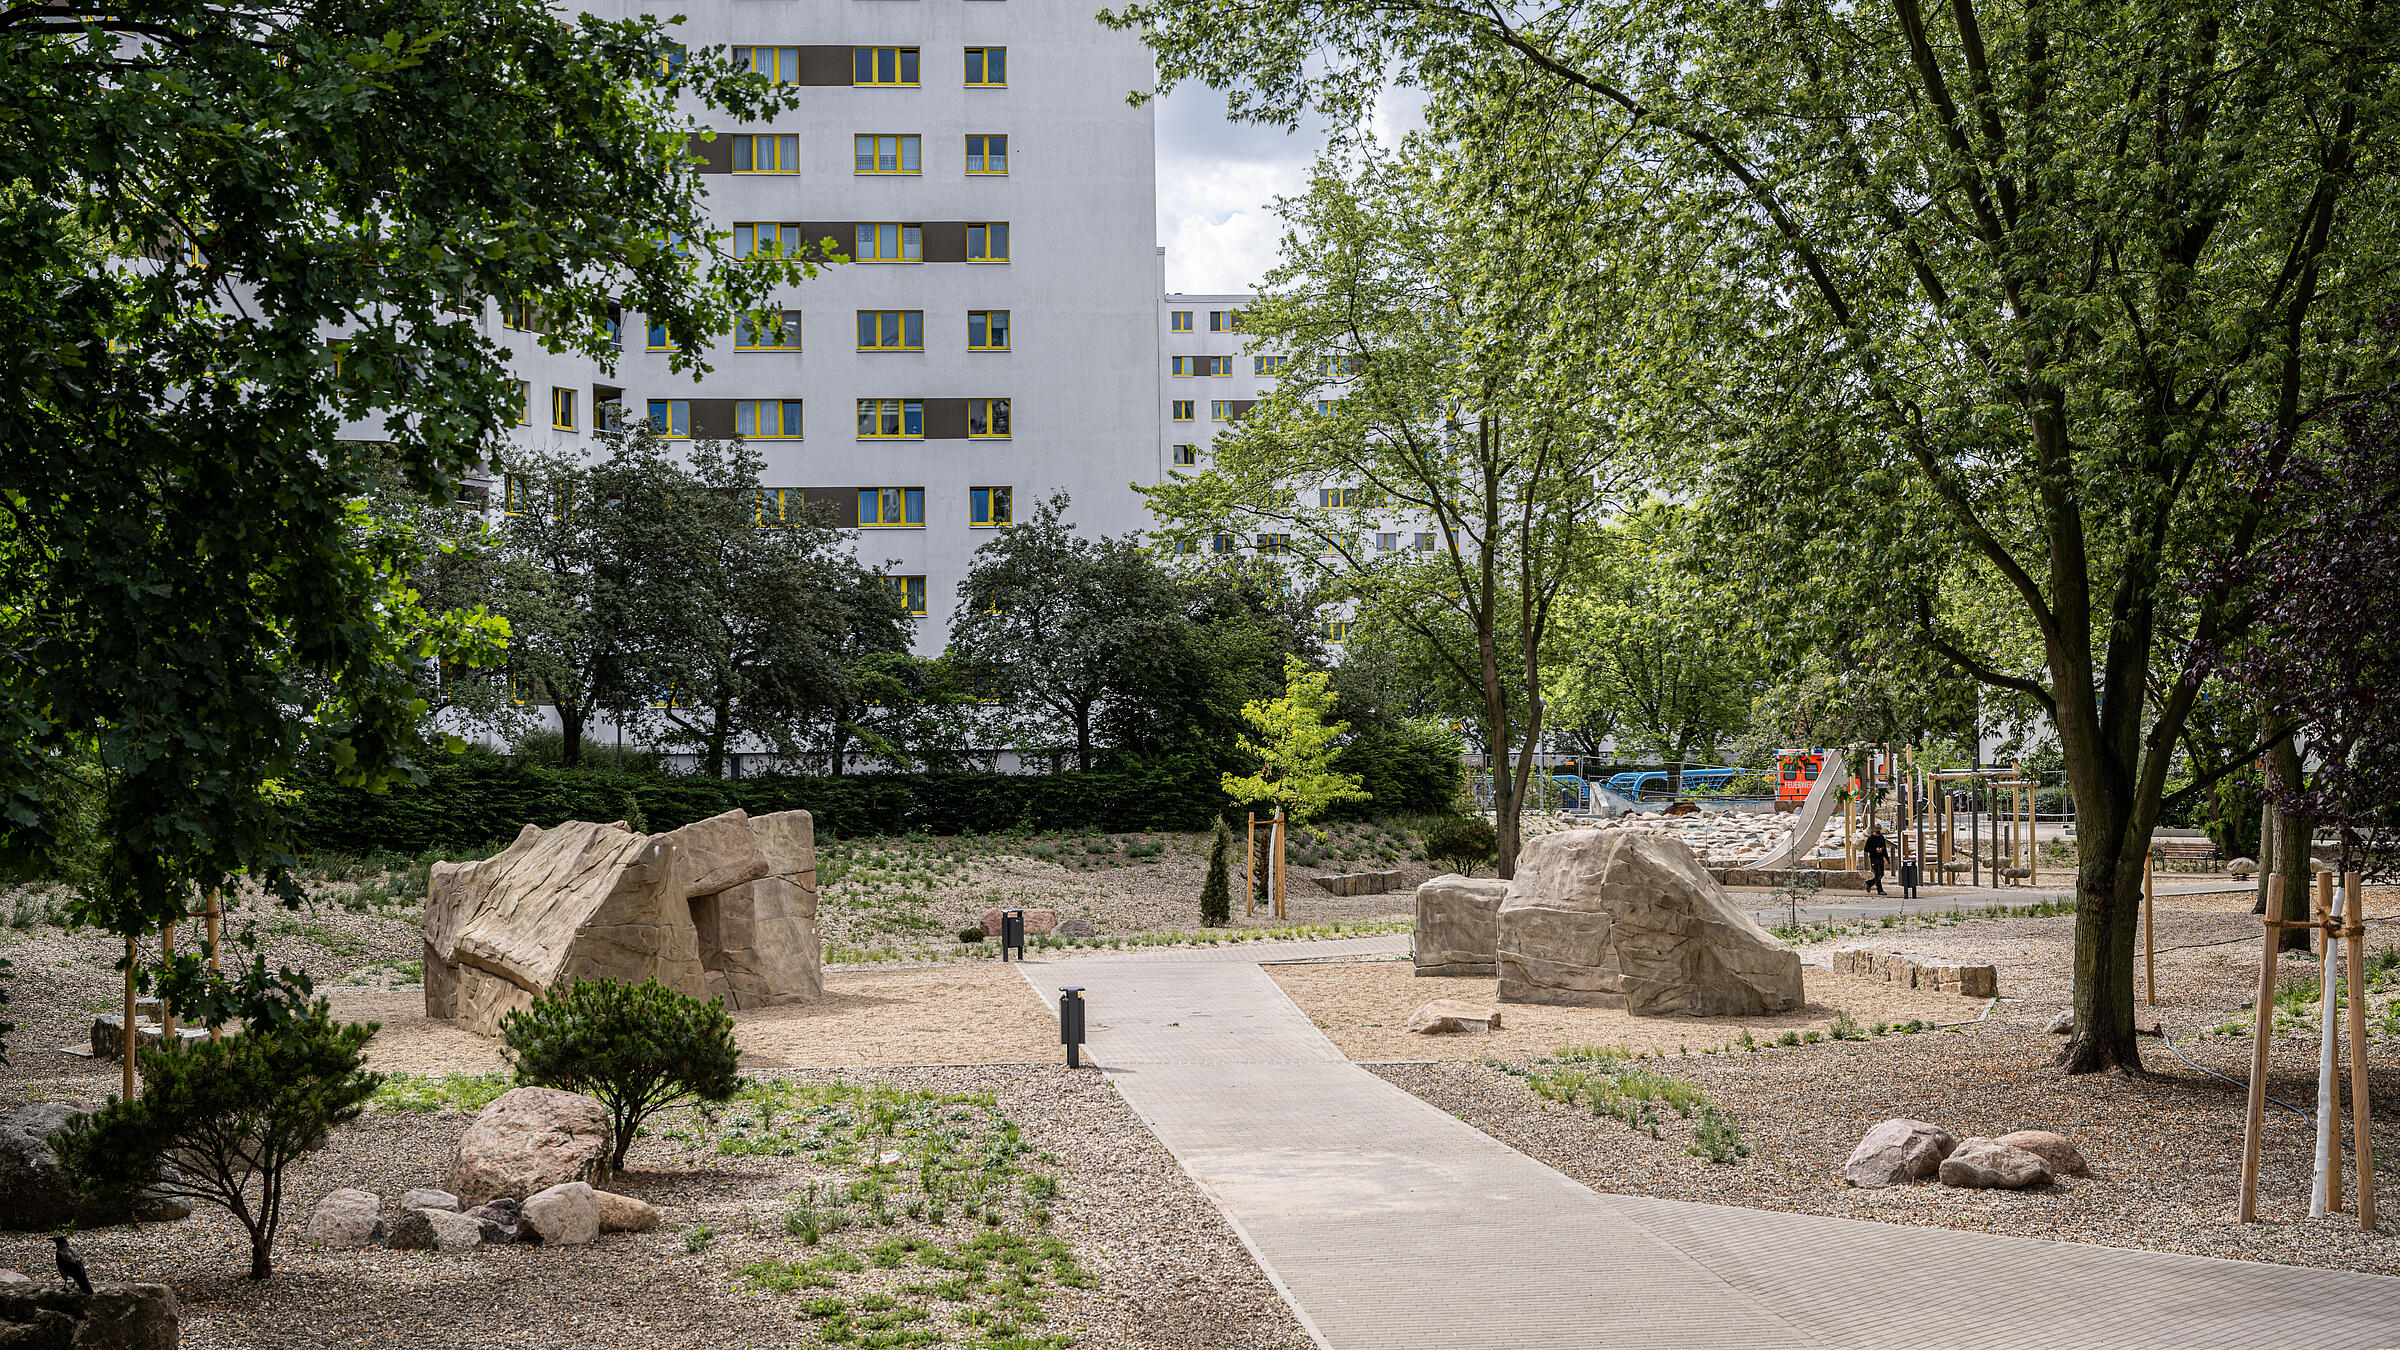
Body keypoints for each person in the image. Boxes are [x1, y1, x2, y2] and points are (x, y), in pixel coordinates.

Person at [1863, 823, 1890, 896]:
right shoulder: (1871, 838)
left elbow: (1884, 849)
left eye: (1879, 828)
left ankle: (1869, 883)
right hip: (1874, 858)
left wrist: (1887, 858)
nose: (1878, 830)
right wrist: (1875, 850)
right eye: (1876, 828)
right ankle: (1880, 890)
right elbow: (1866, 849)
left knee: (1881, 874)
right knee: (1878, 874)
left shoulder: (1881, 838)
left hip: (1880, 858)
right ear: (1874, 829)